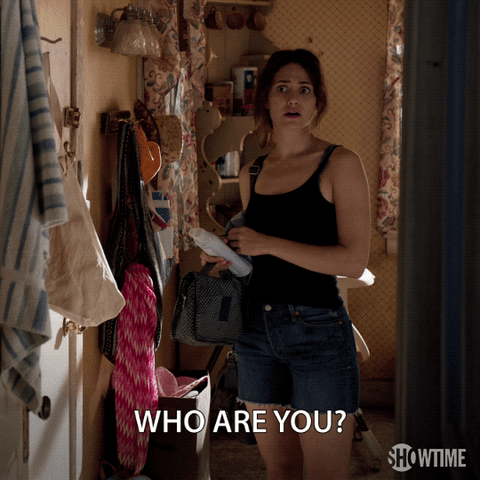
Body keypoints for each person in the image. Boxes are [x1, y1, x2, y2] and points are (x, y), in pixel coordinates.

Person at [201, 49, 371, 480]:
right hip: (255, 334)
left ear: (317, 102)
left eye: (304, 89)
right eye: (282, 89)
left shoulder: (341, 164)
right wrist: (228, 257)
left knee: (325, 473)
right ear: (266, 101)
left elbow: (353, 261)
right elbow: (257, 260)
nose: (293, 98)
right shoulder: (252, 173)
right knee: (280, 468)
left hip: (319, 333)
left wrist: (268, 243)